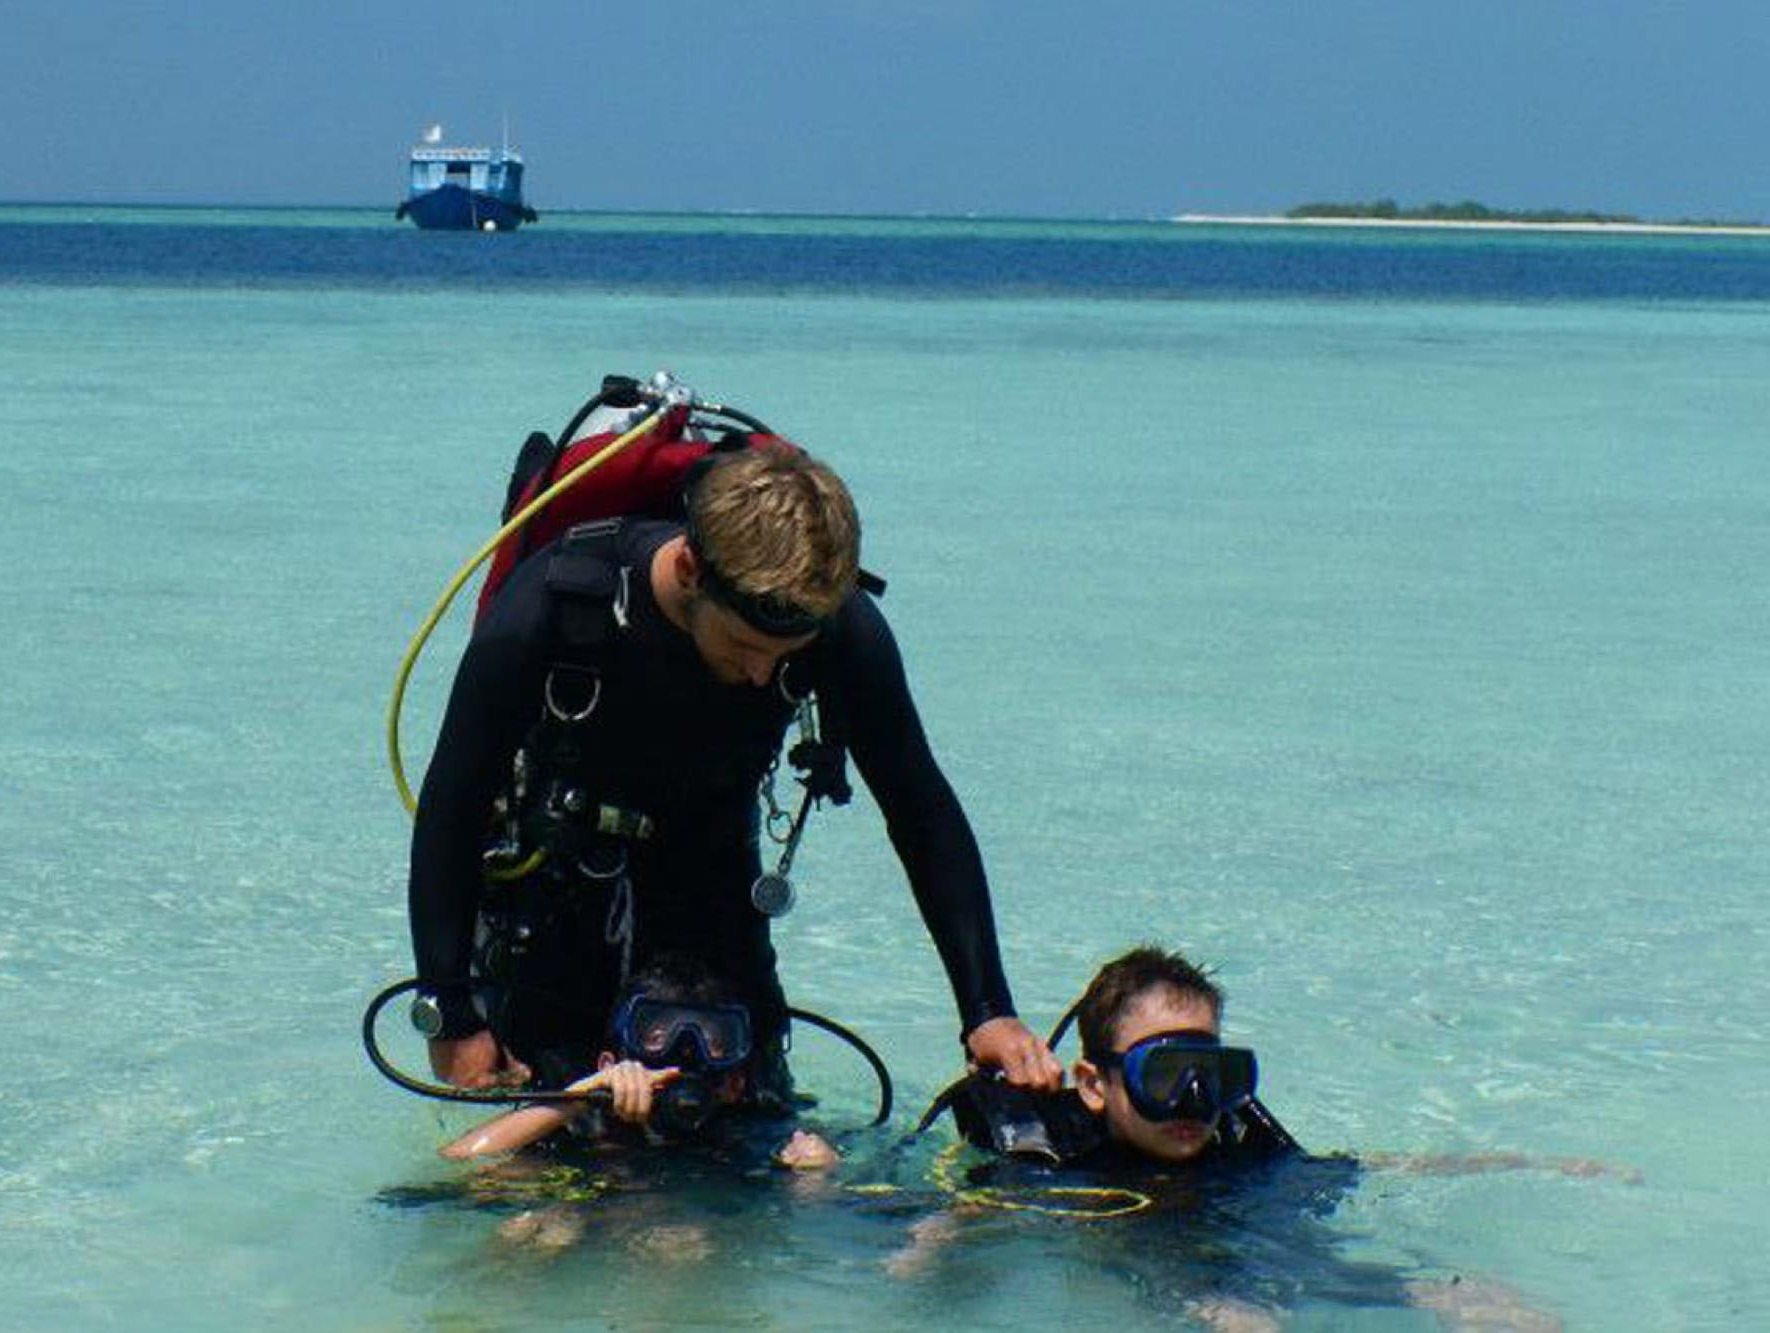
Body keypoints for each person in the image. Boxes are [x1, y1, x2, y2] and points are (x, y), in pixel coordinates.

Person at [405, 442, 1059, 1102]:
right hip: (556, 897)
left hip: (717, 886)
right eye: (745, 646)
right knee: (549, 1131)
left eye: (786, 655)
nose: (762, 674)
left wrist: (987, 1009)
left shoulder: (840, 627)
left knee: (756, 1125)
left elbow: (921, 810)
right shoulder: (554, 603)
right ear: (691, 569)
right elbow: (453, 806)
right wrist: (452, 1013)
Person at [891, 947, 1581, 1330]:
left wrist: (1514, 1166)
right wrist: (932, 1240)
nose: (1194, 1100)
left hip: (1218, 1235)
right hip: (1128, 1249)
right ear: (1094, 1083)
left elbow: (1348, 1169)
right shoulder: (1044, 1156)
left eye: (1212, 1073)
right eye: (1166, 1074)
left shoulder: (1234, 1148)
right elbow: (962, 1205)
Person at [439, 953, 838, 1168]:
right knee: (540, 1227)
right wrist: (578, 1096)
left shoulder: (757, 1137)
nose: (685, 1056)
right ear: (608, 1065)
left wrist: (820, 1172)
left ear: (735, 1083)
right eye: (656, 1038)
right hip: (595, 1215)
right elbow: (459, 1161)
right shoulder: (582, 1126)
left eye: (715, 1042)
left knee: (681, 1244)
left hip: (698, 1231)